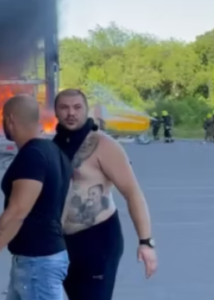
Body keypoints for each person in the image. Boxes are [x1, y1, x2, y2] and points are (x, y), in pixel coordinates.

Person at [53, 89, 157, 300]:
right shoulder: (53, 146)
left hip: (97, 239)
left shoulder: (104, 145)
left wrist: (146, 242)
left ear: (86, 110)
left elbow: (133, 194)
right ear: (55, 111)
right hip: (62, 242)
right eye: (64, 107)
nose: (71, 113)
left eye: (77, 107)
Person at [0, 95, 71, 300]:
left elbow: (17, 212)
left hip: (38, 264)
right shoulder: (54, 151)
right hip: (36, 260)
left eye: (2, 117)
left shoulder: (32, 156)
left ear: (10, 119)